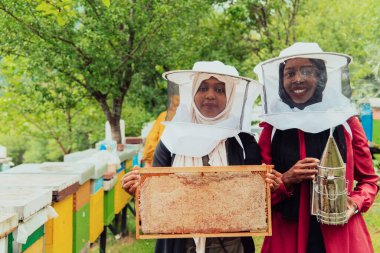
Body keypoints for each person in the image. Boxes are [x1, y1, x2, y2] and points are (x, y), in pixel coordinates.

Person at [122, 60, 276, 253]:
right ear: (192, 93)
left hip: (231, 246)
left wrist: (264, 187)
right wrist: (140, 193)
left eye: (220, 90)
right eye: (203, 88)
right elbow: (156, 206)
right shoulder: (171, 140)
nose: (210, 95)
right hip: (179, 246)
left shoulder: (244, 143)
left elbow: (252, 204)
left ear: (229, 97)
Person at [254, 42, 379, 253]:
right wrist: (286, 179)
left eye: (306, 71)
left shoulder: (346, 122)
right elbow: (256, 188)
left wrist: (355, 203)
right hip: (288, 236)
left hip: (341, 235)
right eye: (290, 73)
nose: (298, 79)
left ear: (320, 76)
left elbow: (369, 181)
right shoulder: (272, 128)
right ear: (281, 80)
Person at [141, 95, 179, 167]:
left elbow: (151, 141)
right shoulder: (190, 118)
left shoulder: (164, 115)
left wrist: (148, 161)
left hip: (160, 162)